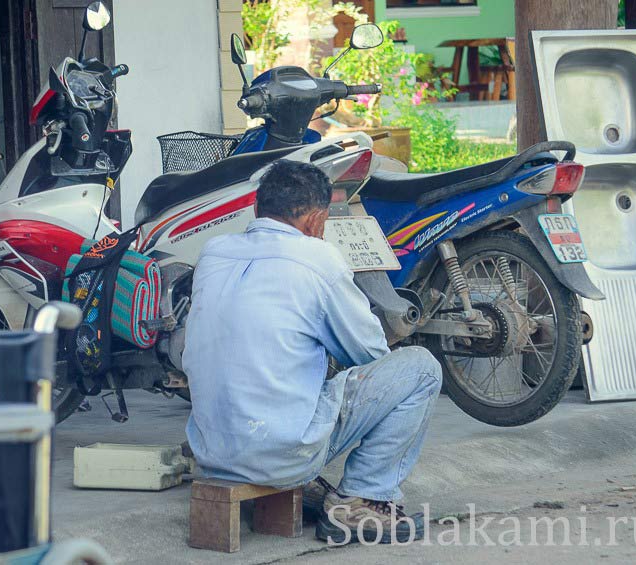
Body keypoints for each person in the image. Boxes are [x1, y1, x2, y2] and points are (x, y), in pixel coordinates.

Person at [182, 160, 442, 544]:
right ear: (317, 221)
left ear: (257, 209)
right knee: (420, 369)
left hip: (211, 453)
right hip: (280, 456)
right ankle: (363, 500)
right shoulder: (318, 258)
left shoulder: (214, 252)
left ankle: (311, 478)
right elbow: (370, 353)